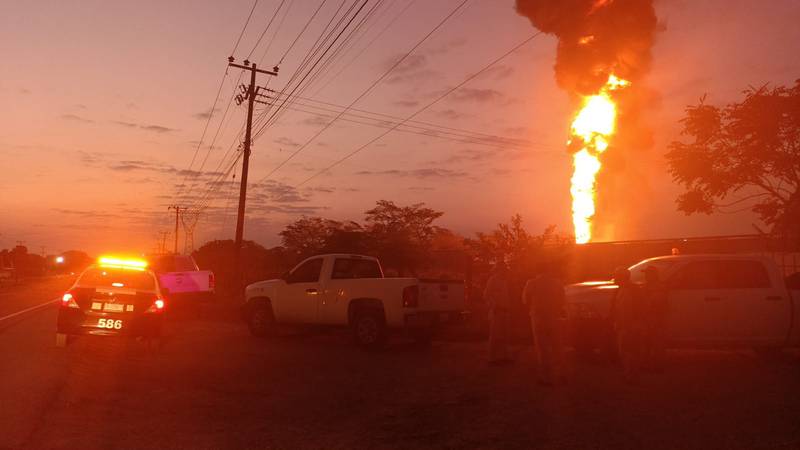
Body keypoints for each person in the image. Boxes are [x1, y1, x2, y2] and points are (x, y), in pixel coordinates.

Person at [523, 263, 567, 385]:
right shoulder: (557, 283)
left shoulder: (531, 283)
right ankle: (561, 374)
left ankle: (546, 377)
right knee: (557, 346)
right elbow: (563, 300)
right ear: (549, 270)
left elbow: (525, 300)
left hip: (538, 318)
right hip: (554, 317)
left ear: (537, 271)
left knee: (542, 348)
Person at [613, 267, 646, 384]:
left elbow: (638, 309)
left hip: (630, 326)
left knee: (629, 351)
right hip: (624, 326)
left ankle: (631, 375)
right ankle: (630, 374)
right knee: (627, 351)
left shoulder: (632, 290)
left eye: (617, 277)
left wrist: (634, 325)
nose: (615, 279)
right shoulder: (622, 290)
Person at [484, 261, 513, 364]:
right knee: (495, 335)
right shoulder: (493, 280)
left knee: (505, 335)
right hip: (497, 311)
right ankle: (492, 358)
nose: (505, 270)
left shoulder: (505, 281)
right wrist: (494, 306)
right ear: (499, 269)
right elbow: (486, 295)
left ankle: (504, 356)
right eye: (503, 268)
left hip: (505, 310)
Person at [643, 266, 669, 371]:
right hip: (649, 319)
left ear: (652, 275)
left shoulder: (658, 287)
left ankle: (658, 366)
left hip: (655, 319)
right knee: (648, 343)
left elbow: (657, 304)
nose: (645, 276)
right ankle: (651, 364)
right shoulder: (648, 286)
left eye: (647, 274)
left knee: (657, 343)